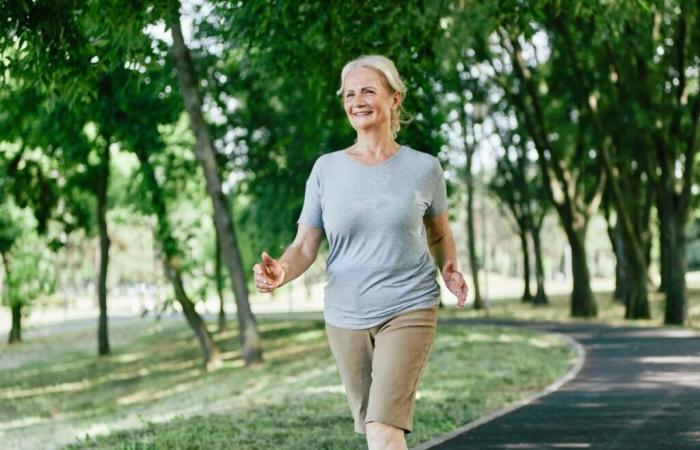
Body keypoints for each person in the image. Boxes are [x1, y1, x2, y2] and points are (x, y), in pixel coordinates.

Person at [253, 54, 468, 450]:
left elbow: (439, 235)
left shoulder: (425, 168)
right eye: (349, 94)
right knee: (373, 431)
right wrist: (281, 271)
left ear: (394, 99)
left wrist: (449, 269)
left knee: (384, 429)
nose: (357, 100)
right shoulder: (326, 170)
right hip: (345, 315)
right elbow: (304, 245)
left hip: (409, 304)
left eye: (368, 90)